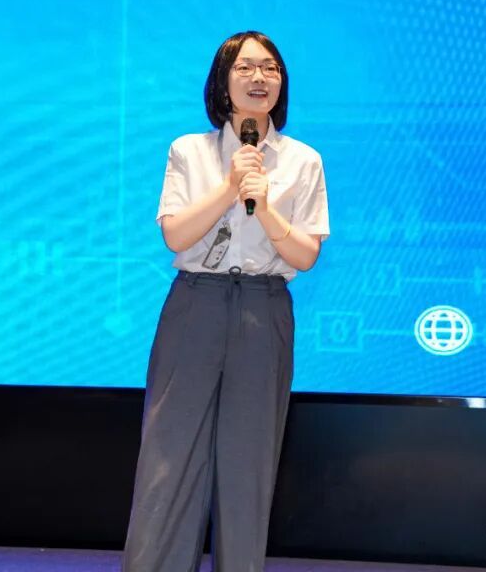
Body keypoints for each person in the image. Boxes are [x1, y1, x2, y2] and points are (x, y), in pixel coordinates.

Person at [121, 31, 330, 572]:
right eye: (246, 68)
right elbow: (176, 235)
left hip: (264, 307)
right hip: (197, 302)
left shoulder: (304, 160)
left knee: (248, 465)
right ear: (223, 81)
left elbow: (306, 254)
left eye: (271, 69)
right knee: (169, 459)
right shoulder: (188, 151)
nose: (260, 78)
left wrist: (264, 206)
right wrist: (230, 185)